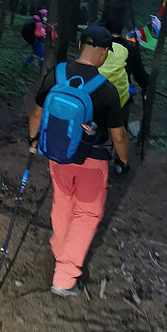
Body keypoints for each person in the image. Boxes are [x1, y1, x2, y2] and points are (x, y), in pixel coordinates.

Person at [28, 25, 129, 297]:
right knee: (86, 213)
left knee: (62, 204)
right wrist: (124, 161)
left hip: (58, 156)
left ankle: (62, 251)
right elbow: (119, 137)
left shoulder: (56, 74)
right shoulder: (107, 90)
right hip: (92, 162)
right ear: (103, 52)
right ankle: (65, 277)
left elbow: (36, 115)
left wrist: (33, 142)